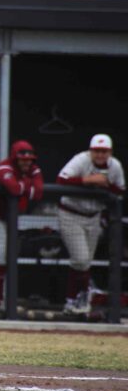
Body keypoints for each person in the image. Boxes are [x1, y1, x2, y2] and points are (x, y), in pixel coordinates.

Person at [56, 134, 125, 315]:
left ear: (110, 152)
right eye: (97, 151)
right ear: (90, 150)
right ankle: (84, 296)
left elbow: (120, 190)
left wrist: (107, 186)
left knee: (84, 262)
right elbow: (61, 180)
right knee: (80, 259)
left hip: (93, 216)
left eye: (104, 151)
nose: (100, 155)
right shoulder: (81, 160)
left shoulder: (115, 166)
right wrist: (87, 181)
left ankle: (72, 301)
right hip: (71, 213)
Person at [0, 140, 43, 314]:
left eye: (29, 159)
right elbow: (13, 189)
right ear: (14, 158)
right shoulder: (4, 167)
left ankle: (3, 300)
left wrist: (24, 185)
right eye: (22, 159)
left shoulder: (33, 169)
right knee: (0, 253)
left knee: (8, 256)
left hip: (9, 218)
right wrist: (26, 185)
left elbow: (38, 193)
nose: (26, 163)